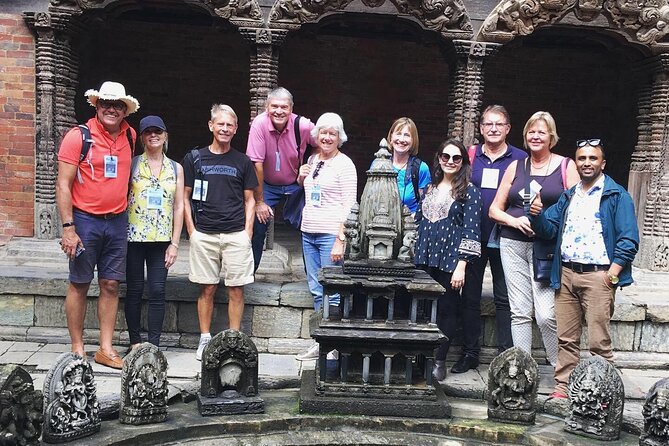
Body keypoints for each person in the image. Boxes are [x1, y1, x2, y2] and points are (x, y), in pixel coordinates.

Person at [528, 140, 639, 399]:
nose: (586, 163)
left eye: (592, 158)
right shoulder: (569, 195)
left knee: (599, 342)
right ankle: (564, 388)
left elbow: (629, 239)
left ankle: (603, 392)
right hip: (566, 273)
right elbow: (548, 229)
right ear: (575, 163)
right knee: (566, 339)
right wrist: (536, 214)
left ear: (603, 163)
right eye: (581, 158)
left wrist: (612, 274)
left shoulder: (616, 195)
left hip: (599, 275)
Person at [56, 81, 139, 369]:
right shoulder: (79, 136)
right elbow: (63, 185)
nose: (111, 108)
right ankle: (78, 347)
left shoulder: (130, 135)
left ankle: (105, 347)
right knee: (79, 282)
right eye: (106, 103)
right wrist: (68, 228)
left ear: (125, 109)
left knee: (111, 283)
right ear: (97, 105)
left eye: (117, 104)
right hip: (85, 220)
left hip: (116, 221)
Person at [489, 111, 579, 367]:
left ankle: (559, 366)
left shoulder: (566, 166)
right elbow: (495, 209)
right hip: (512, 243)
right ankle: (521, 367)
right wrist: (514, 220)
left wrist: (545, 221)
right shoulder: (516, 166)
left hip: (546, 248)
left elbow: (574, 208)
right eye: (531, 131)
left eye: (541, 131)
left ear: (552, 136)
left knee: (546, 314)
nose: (536, 136)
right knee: (519, 311)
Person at [454, 105, 527, 374]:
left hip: (506, 236)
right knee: (470, 297)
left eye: (499, 124)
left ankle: (507, 355)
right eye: (488, 124)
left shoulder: (520, 158)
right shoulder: (471, 156)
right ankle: (470, 352)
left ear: (508, 128)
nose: (493, 129)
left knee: (504, 297)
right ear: (481, 128)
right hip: (474, 236)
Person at [182, 104, 258, 360]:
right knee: (207, 289)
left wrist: (248, 233)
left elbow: (250, 199)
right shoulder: (195, 158)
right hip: (204, 234)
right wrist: (191, 230)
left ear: (235, 129)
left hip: (236, 233)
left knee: (237, 289)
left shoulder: (242, 161)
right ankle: (205, 338)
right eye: (220, 124)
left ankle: (234, 338)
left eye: (230, 125)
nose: (225, 129)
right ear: (211, 126)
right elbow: (185, 196)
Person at [414, 138, 482, 381]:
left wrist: (462, 265)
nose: (450, 162)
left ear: (463, 162)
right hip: (423, 257)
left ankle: (439, 361)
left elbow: (471, 230)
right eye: (446, 156)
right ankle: (419, 357)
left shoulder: (469, 192)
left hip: (450, 260)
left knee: (447, 309)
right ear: (439, 158)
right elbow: (419, 223)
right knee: (421, 308)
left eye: (456, 158)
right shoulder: (429, 188)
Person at [294, 113, 357, 361]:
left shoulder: (345, 164)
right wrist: (301, 176)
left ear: (339, 137)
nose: (327, 137)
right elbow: (309, 190)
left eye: (332, 133)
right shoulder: (312, 159)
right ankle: (320, 340)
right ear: (317, 135)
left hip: (330, 233)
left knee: (332, 290)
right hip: (308, 231)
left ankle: (333, 344)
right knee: (316, 288)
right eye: (323, 132)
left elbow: (350, 204)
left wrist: (341, 238)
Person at [125, 115, 184, 348]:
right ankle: (135, 342)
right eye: (148, 132)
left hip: (162, 239)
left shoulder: (176, 168)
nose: (153, 135)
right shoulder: (132, 164)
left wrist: (175, 243)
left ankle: (154, 344)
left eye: (157, 131)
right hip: (134, 237)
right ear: (142, 137)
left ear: (165, 135)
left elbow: (179, 205)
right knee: (135, 289)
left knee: (158, 290)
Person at [247, 87, 316, 271]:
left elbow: (325, 145)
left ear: (291, 109)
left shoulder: (303, 125)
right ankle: (249, 274)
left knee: (310, 225)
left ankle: (314, 277)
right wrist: (259, 202)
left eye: (284, 107)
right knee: (256, 223)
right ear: (266, 107)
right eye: (274, 106)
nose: (279, 111)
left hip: (296, 183)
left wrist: (310, 164)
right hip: (268, 184)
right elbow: (257, 165)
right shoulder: (259, 124)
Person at [383, 117, 430, 214]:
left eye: (407, 135)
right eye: (398, 134)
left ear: (413, 140)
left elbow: (425, 206)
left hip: (410, 225)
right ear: (391, 137)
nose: (401, 139)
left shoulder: (421, 169)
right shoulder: (380, 165)